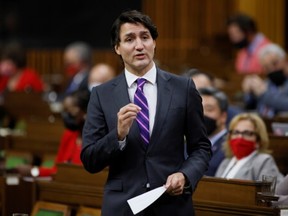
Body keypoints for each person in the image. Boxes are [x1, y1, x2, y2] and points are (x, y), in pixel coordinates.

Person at [81, 10, 212, 216]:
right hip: (123, 207)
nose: (139, 46)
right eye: (129, 39)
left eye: (145, 37)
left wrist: (185, 175)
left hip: (172, 205)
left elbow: (201, 147)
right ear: (117, 48)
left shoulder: (183, 87)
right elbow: (90, 160)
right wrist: (118, 136)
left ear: (154, 43)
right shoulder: (101, 94)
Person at [16, 89, 90, 177]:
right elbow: (56, 170)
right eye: (65, 111)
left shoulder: (95, 140)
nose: (66, 116)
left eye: (71, 111)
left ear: (86, 112)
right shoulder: (69, 135)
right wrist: (33, 171)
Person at [215, 113, 284, 184]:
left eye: (247, 133)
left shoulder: (264, 161)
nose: (240, 137)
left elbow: (269, 192)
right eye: (236, 132)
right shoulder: (225, 162)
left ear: (258, 140)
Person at [241, 43, 288, 118]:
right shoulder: (267, 83)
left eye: (275, 63)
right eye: (267, 67)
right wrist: (250, 93)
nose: (272, 69)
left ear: (285, 60)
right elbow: (250, 106)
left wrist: (263, 94)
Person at [198, 87, 228, 176]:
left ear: (223, 116)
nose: (203, 114)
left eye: (209, 109)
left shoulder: (230, 145)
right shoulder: (187, 143)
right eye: (199, 109)